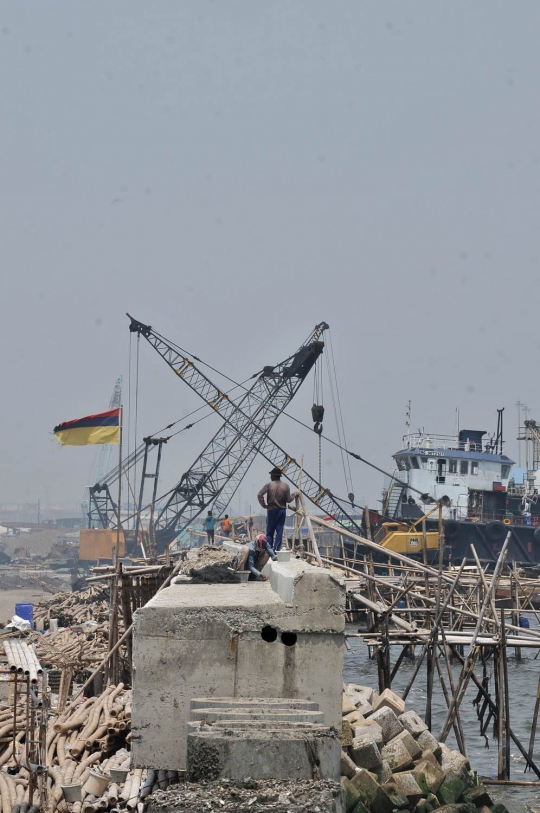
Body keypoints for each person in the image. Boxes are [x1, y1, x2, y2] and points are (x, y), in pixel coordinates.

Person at [257, 467, 297, 552]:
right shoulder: (286, 486)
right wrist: (294, 494)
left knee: (270, 531)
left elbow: (260, 495)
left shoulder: (269, 485)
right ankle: (276, 549)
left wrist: (264, 505)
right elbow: (288, 500)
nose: (270, 477)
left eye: (271, 475)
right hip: (282, 511)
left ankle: (269, 549)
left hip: (271, 511)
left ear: (274, 476)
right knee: (279, 530)